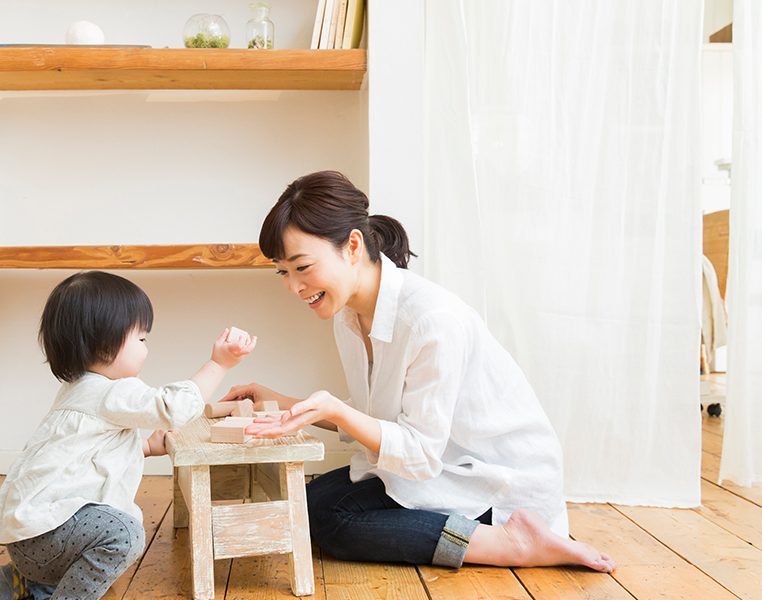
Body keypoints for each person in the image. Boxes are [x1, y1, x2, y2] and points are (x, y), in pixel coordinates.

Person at [221, 171, 614, 572]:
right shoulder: (349, 316)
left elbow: (420, 455)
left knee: (334, 520)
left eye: (302, 267)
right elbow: (378, 413)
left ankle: (509, 542)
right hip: (439, 464)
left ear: (352, 246)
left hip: (495, 480)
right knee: (311, 502)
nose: (293, 286)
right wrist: (278, 401)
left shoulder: (431, 320)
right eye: (282, 272)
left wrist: (334, 409)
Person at [0, 271, 257, 600]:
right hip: (47, 536)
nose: (146, 349)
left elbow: (88, 454)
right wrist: (219, 364)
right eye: (141, 339)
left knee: (81, 543)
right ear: (105, 345)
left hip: (29, 539)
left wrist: (147, 446)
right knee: (124, 533)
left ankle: (22, 584)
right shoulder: (110, 392)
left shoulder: (77, 390)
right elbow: (173, 407)